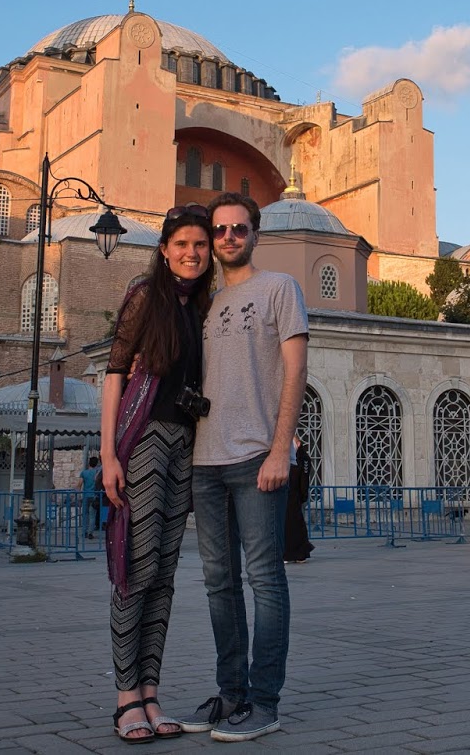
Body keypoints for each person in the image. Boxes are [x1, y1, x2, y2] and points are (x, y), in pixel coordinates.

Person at [179, 193, 308, 743]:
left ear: (255, 234)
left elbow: (296, 371)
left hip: (258, 456)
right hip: (205, 462)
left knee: (265, 580)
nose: (229, 237)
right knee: (218, 583)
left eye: (239, 228)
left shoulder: (280, 289)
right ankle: (230, 693)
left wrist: (281, 450)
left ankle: (265, 701)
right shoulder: (202, 302)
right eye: (221, 230)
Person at [99, 204, 215, 743]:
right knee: (137, 568)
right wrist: (109, 455)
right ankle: (125, 698)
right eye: (183, 244)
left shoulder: (202, 307)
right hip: (143, 440)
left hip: (185, 444)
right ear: (165, 249)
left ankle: (151, 693)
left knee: (165, 575)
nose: (192, 253)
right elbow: (115, 374)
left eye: (200, 245)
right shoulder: (146, 298)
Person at [283, 435, 314, 564]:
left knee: (296, 525)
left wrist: (303, 496)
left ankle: (299, 553)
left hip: (295, 497)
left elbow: (304, 479)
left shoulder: (303, 459)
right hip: (286, 496)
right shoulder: (286, 458)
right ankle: (289, 553)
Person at [80, 454, 103, 539]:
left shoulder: (84, 473)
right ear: (97, 464)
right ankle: (90, 532)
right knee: (92, 515)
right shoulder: (98, 472)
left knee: (85, 514)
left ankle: (84, 531)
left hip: (86, 495)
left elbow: (79, 484)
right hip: (95, 495)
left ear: (89, 463)